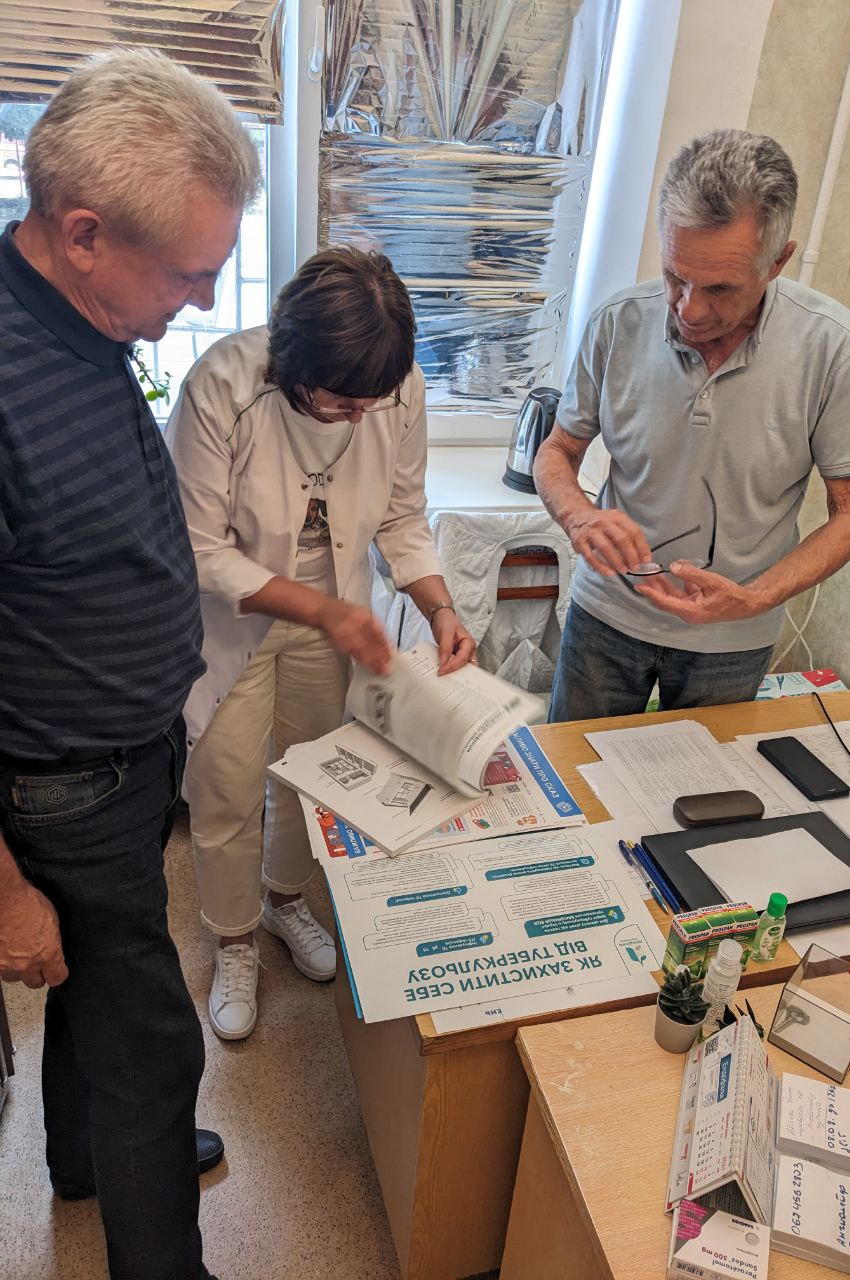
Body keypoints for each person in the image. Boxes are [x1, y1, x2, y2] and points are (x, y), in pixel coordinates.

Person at [0, 49, 260, 1280]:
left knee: (98, 993)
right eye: (188, 273)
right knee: (153, 1038)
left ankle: (85, 1159)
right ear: (85, 232)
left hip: (123, 751)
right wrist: (5, 889)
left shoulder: (78, 313)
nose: (201, 302)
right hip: (64, 780)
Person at [166, 247, 477, 1041]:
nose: (360, 418)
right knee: (227, 787)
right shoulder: (223, 386)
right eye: (341, 404)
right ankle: (234, 939)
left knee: (310, 773)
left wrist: (439, 607)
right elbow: (197, 549)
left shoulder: (393, 385)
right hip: (230, 621)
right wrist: (319, 609)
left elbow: (402, 514)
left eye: (372, 403)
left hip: (333, 611)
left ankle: (283, 901)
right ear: (292, 368)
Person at [537, 129, 850, 720]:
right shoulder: (617, 323)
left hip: (734, 638)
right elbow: (558, 451)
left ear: (777, 262)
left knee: (707, 780)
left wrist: (754, 599)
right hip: (606, 619)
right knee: (571, 771)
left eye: (720, 288)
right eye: (675, 276)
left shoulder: (833, 348)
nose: (689, 309)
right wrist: (578, 515)